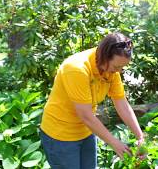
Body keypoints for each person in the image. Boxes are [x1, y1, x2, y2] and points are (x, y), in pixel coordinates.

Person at [40, 32, 144, 169]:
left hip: (86, 132)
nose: (119, 72)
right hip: (60, 136)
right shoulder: (76, 69)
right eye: (116, 67)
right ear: (103, 57)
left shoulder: (111, 70)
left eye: (122, 68)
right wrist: (114, 143)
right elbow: (86, 115)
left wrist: (140, 137)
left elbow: (122, 103)